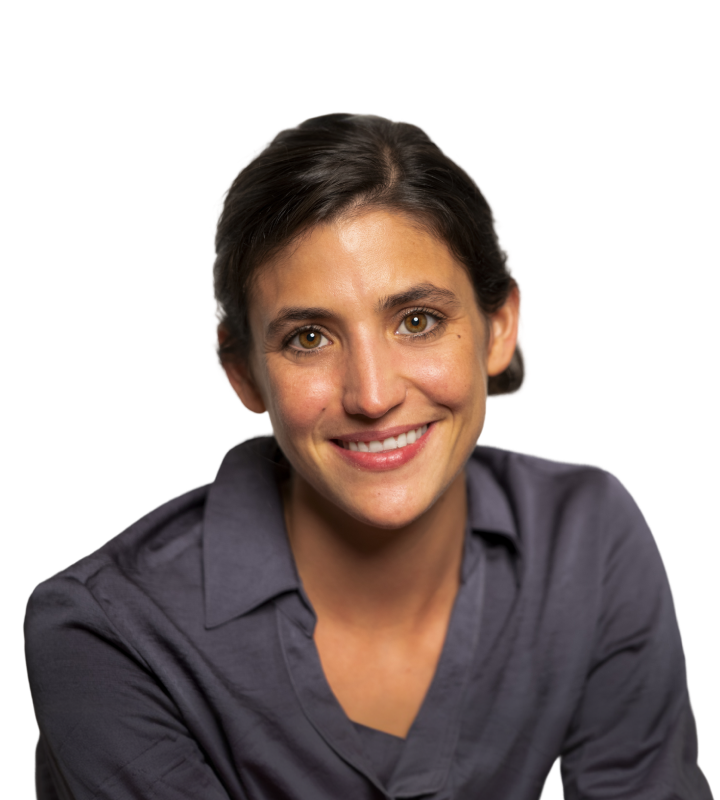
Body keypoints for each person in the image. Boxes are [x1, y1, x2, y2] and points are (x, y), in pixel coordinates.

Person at [24, 112, 712, 799]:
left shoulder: (587, 532)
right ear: (242, 373)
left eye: (417, 321)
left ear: (501, 327)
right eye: (309, 338)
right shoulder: (105, 630)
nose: (373, 396)